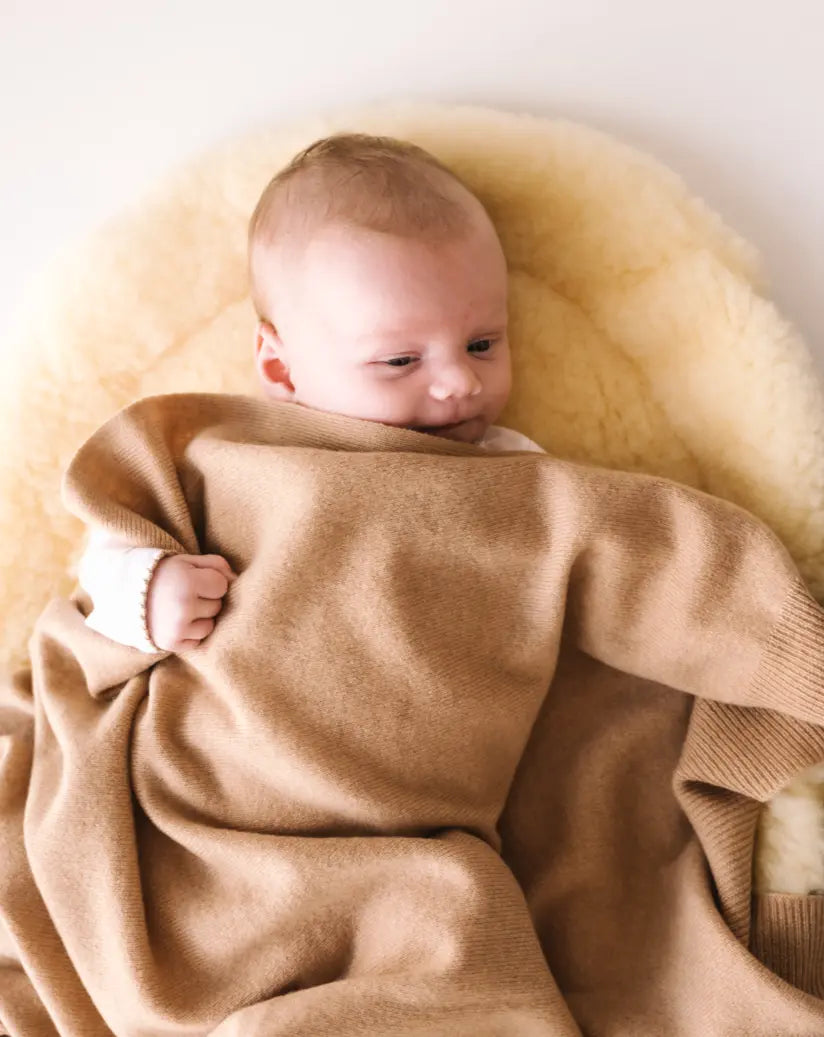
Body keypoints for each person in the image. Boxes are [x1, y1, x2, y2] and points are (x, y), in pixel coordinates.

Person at [77, 132, 545, 655]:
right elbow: (103, 564)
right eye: (399, 361)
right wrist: (150, 593)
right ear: (282, 368)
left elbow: (589, 550)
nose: (462, 382)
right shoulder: (235, 460)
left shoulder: (514, 468)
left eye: (481, 344)